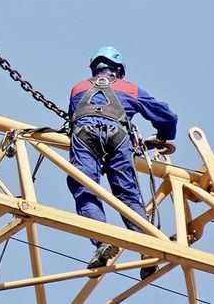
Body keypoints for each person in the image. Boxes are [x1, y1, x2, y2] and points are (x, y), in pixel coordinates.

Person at [67, 46, 178, 278]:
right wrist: (161, 137)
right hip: (118, 137)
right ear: (118, 69)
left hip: (83, 135)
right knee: (127, 194)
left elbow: (74, 118)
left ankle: (103, 241)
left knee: (85, 188)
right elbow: (166, 116)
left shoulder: (78, 88)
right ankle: (146, 245)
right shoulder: (129, 88)